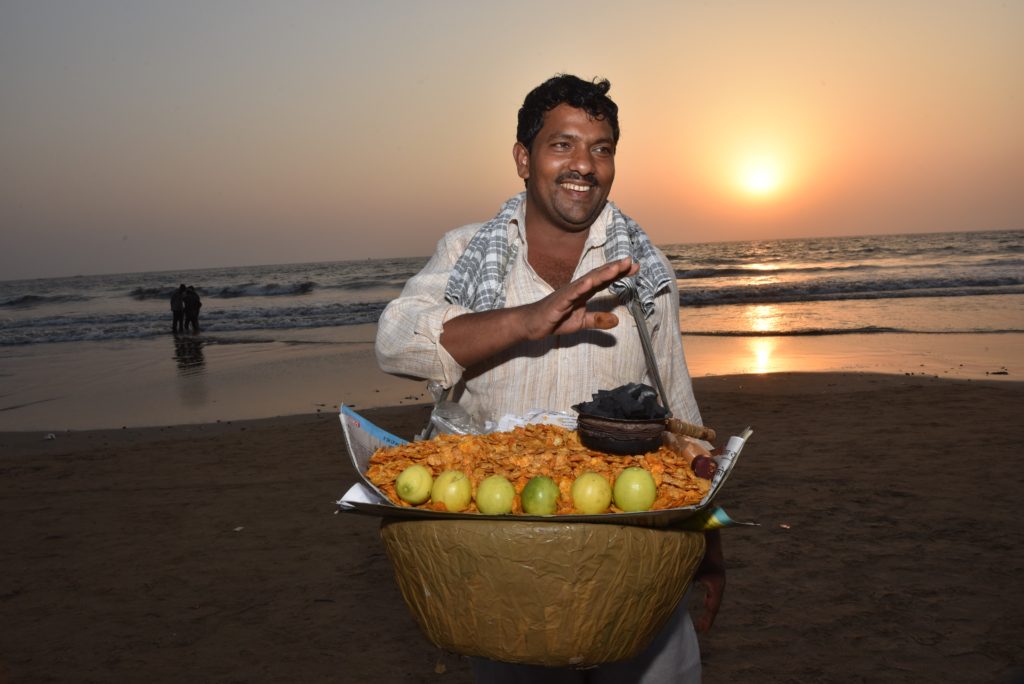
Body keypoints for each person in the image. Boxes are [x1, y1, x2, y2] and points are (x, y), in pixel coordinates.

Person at [375, 74, 724, 683]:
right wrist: (526, 321)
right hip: (507, 560)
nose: (584, 165)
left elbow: (677, 411)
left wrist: (710, 545)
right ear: (523, 158)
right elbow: (397, 343)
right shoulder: (465, 254)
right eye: (562, 145)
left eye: (602, 147)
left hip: (633, 554)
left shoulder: (644, 270)